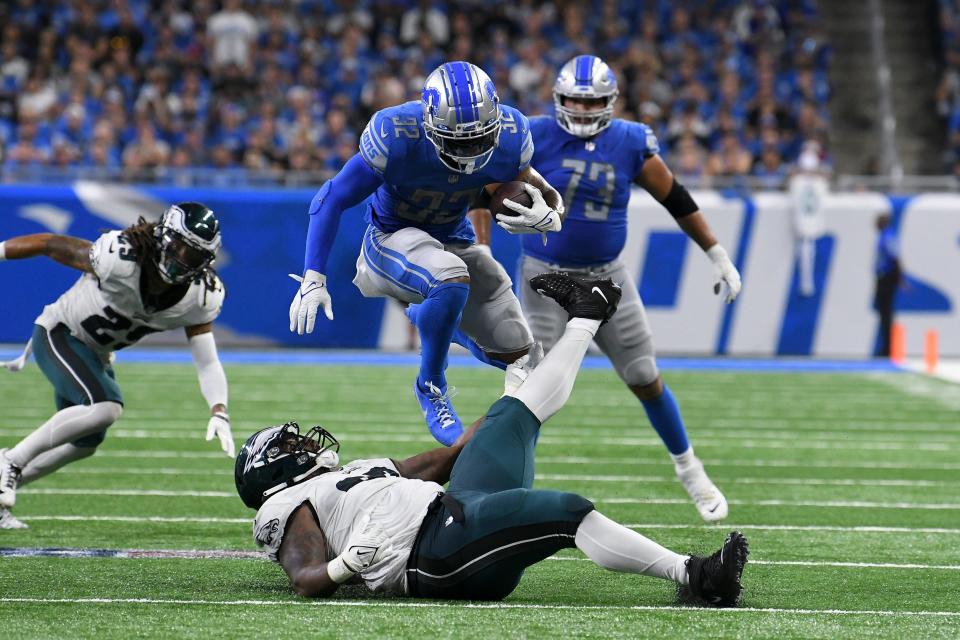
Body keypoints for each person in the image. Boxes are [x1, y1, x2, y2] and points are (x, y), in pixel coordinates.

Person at [237, 273, 749, 605]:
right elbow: (305, 579)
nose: (305, 445)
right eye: (291, 448)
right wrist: (347, 565)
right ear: (273, 473)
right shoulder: (287, 504)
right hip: (435, 553)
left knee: (514, 416)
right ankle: (698, 576)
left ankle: (589, 312)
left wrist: (512, 391)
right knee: (568, 511)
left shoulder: (348, 475)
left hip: (452, 508)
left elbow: (445, 458)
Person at [484, 55, 741, 522]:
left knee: (645, 375)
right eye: (574, 102)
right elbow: (483, 188)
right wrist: (481, 253)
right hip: (544, 272)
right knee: (528, 385)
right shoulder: (532, 135)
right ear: (558, 100)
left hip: (608, 275)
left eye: (593, 102)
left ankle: (690, 470)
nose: (582, 112)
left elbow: (676, 198)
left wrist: (716, 254)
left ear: (610, 103)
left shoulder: (628, 141)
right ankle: (502, 492)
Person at [288, 61, 565, 446]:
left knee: (520, 353)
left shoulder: (513, 134)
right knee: (450, 275)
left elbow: (533, 187)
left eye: (479, 139)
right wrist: (313, 276)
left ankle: (436, 322)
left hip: (454, 237)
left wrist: (551, 211)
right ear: (431, 124)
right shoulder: (396, 133)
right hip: (389, 239)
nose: (470, 152)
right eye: (458, 140)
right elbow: (332, 196)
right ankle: (431, 384)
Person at [0, 203, 234, 529]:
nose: (182, 259)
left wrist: (218, 410)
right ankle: (9, 460)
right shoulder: (120, 257)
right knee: (106, 407)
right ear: (163, 236)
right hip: (60, 333)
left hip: (94, 354)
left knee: (85, 443)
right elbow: (49, 244)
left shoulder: (199, 296)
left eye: (193, 255)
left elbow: (208, 361)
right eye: (179, 246)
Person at [788, 141, 828, 297]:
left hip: (807, 216)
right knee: (807, 246)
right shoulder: (816, 183)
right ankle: (806, 282)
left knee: (807, 246)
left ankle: (806, 282)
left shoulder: (799, 182)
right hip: (807, 216)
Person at [873, 212, 902, 357]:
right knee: (884, 314)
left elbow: (895, 258)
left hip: (887, 278)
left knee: (886, 314)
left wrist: (898, 278)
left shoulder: (888, 237)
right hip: (884, 277)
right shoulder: (884, 236)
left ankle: (888, 348)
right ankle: (886, 346)